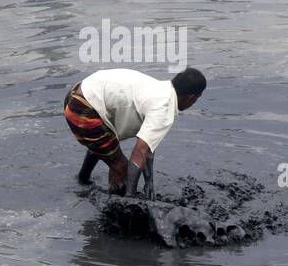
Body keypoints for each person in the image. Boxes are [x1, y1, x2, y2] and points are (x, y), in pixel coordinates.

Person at [64, 67, 206, 196]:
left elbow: (148, 147)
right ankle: (115, 209)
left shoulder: (159, 88)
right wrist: (130, 198)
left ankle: (82, 181)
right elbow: (140, 151)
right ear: (191, 98)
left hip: (76, 93)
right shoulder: (164, 108)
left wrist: (149, 183)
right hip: (83, 109)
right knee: (121, 166)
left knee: (106, 145)